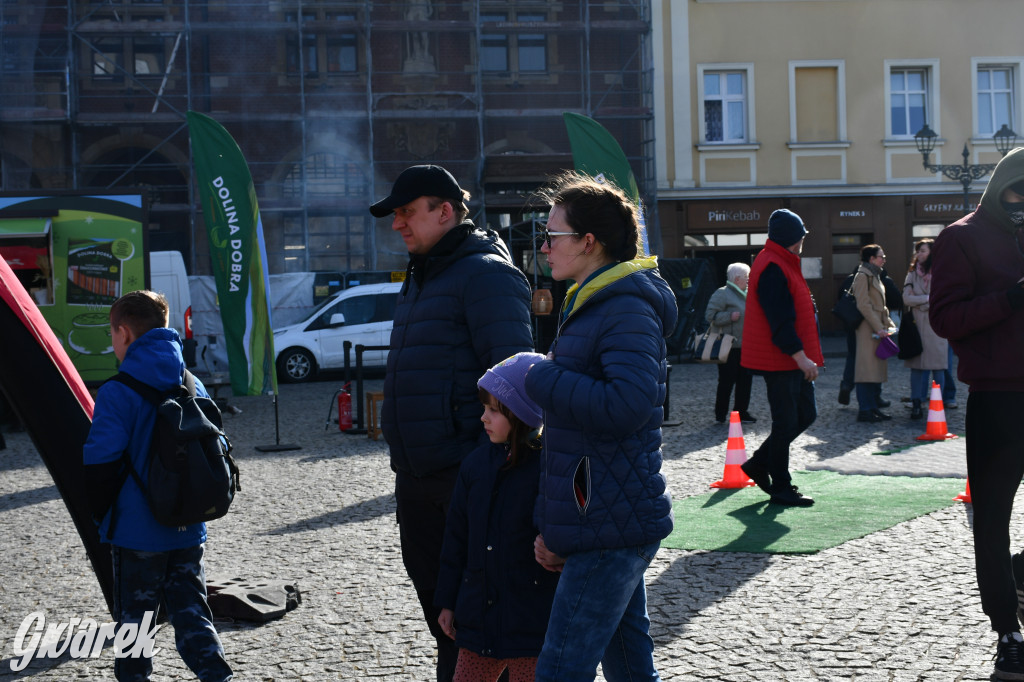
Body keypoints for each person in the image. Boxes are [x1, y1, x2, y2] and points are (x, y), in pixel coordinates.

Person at [370, 164, 534, 682]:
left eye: (406, 213)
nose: (397, 224)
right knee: (447, 619)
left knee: (479, 626)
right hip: (418, 481)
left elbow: (513, 384)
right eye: (394, 215)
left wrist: (490, 471)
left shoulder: (486, 274)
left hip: (466, 479)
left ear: (445, 211)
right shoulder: (424, 274)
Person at [522, 171, 676, 682]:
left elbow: (627, 405)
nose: (544, 246)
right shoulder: (594, 302)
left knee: (561, 671)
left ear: (589, 242)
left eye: (553, 235)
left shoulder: (624, 307)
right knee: (631, 669)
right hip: (608, 515)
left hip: (607, 523)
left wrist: (542, 377)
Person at [83, 290, 232, 682]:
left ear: (125, 333)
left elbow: (99, 462)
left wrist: (100, 517)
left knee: (136, 624)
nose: (112, 342)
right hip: (188, 525)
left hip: (137, 534)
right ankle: (218, 676)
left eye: (112, 334)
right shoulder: (190, 381)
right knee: (193, 613)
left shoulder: (118, 391)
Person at [930, 147, 1024, 681]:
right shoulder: (961, 237)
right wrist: (1011, 300)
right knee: (991, 522)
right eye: (1019, 195)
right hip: (997, 398)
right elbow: (944, 318)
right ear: (1000, 188)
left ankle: (1021, 580)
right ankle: (1007, 631)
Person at [435, 352, 559, 682]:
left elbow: (562, 528)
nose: (483, 418)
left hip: (530, 624)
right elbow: (456, 538)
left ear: (521, 414)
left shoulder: (548, 468)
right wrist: (448, 602)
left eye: (494, 410)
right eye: (484, 408)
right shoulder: (475, 466)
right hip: (479, 620)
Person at [739, 208, 822, 507]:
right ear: (794, 238)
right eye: (800, 236)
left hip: (788, 358)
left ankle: (759, 464)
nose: (802, 241)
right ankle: (781, 487)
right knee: (786, 422)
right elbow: (780, 321)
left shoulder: (780, 261)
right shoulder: (773, 266)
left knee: (803, 415)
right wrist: (801, 357)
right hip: (782, 360)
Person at [901, 238, 947, 419]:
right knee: (917, 368)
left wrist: (921, 299)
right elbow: (906, 299)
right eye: (918, 251)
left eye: (923, 251)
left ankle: (938, 404)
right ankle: (916, 403)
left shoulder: (942, 273)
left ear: (932, 253)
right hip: (917, 328)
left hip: (937, 327)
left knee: (938, 368)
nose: (919, 254)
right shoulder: (912, 274)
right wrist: (927, 299)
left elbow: (941, 298)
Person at [705, 262, 755, 424]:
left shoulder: (747, 293)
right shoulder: (722, 294)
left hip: (746, 346)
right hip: (728, 347)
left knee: (745, 382)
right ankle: (720, 414)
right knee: (726, 382)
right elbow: (710, 316)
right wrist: (729, 316)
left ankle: (742, 412)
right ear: (737, 278)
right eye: (747, 277)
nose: (748, 280)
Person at [850, 244, 895, 423]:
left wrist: (888, 324)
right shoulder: (863, 276)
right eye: (881, 256)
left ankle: (872, 407)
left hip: (876, 328)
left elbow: (880, 306)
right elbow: (863, 305)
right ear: (871, 259)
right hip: (868, 329)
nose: (884, 259)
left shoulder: (874, 274)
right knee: (866, 371)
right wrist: (879, 327)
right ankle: (865, 410)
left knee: (873, 370)